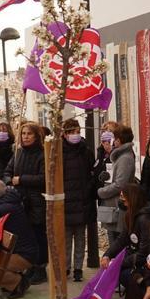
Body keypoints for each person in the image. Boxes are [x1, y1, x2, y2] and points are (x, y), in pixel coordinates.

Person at [3, 122, 47, 284]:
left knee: (38, 235)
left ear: (36, 136)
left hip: (36, 201)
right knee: (25, 236)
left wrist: (21, 179)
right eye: (23, 134)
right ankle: (28, 266)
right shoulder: (18, 153)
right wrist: (9, 181)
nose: (26, 137)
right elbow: (7, 172)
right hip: (19, 200)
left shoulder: (43, 154)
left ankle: (40, 268)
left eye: (29, 134)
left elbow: (44, 178)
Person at [101, 184, 150, 299]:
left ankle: (143, 290)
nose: (122, 200)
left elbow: (144, 252)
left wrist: (119, 263)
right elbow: (122, 239)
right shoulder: (130, 215)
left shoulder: (145, 220)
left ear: (132, 198)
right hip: (135, 256)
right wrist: (107, 255)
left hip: (145, 261)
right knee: (115, 270)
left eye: (123, 197)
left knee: (123, 273)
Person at [61, 118, 98, 280]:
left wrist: (88, 190)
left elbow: (92, 173)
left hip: (82, 201)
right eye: (71, 132)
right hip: (65, 201)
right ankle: (66, 267)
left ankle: (78, 268)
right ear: (64, 134)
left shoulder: (86, 151)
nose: (75, 135)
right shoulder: (59, 151)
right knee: (66, 238)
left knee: (80, 237)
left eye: (77, 132)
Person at [97, 125, 137, 245]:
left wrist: (101, 192)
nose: (113, 141)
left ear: (119, 140)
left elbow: (120, 184)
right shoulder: (120, 156)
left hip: (118, 207)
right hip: (114, 206)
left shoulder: (125, 158)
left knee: (117, 244)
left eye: (114, 138)